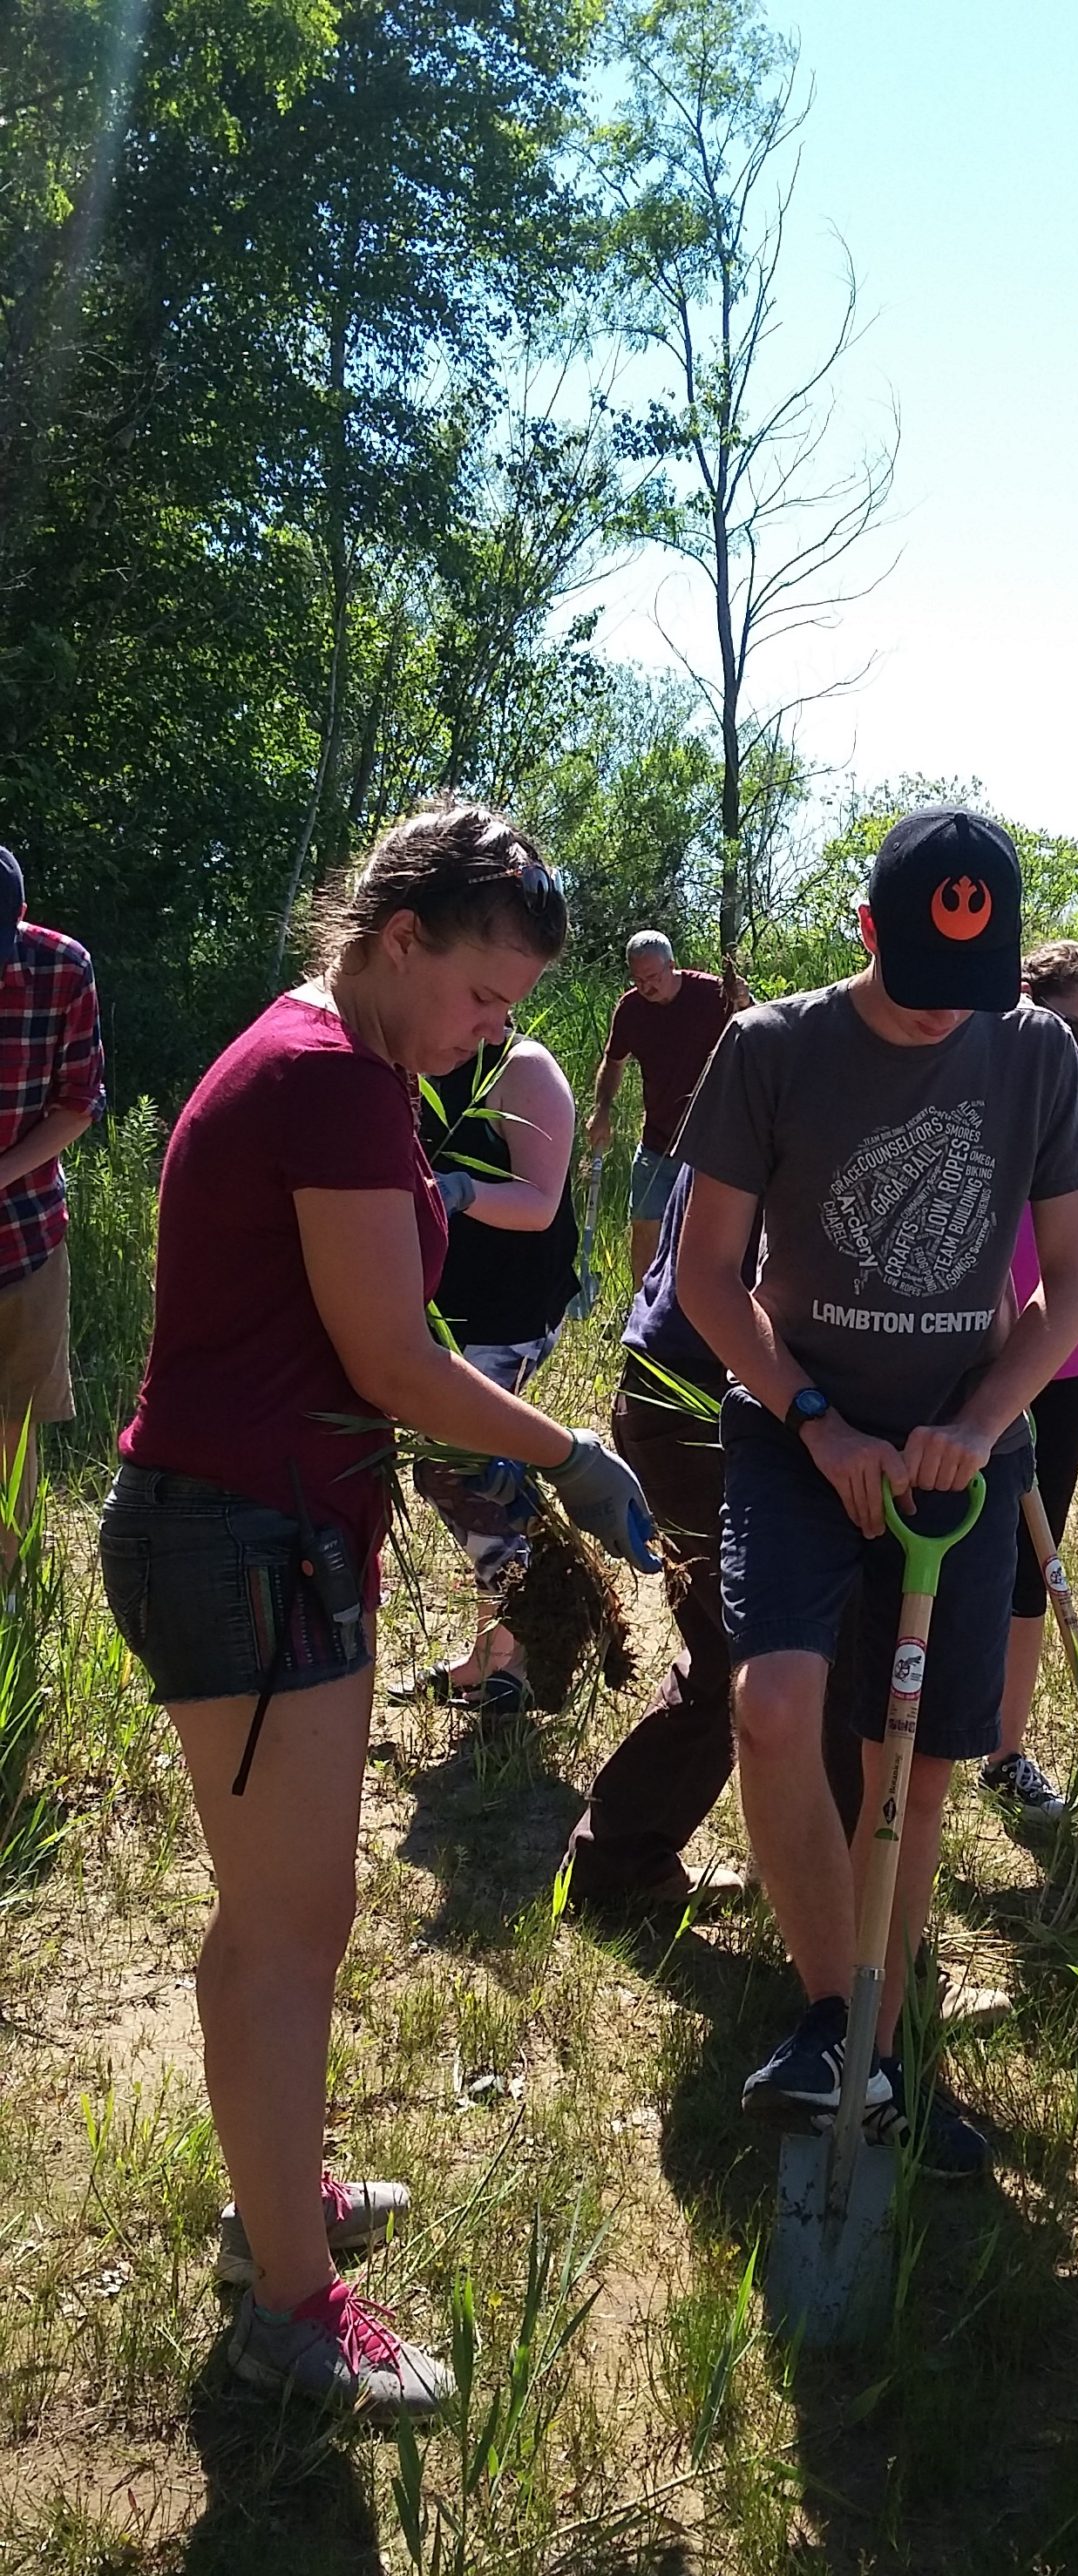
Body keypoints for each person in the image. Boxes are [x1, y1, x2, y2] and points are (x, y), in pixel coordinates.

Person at [99, 805, 654, 2418]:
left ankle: (280, 2188)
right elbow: (394, 1362)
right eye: (485, 995)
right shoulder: (332, 1078)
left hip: (264, 1526)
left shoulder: (337, 1058)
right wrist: (569, 1457)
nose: (497, 1033)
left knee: (289, 1914)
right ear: (401, 936)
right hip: (240, 1537)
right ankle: (289, 2295)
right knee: (286, 1924)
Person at [676, 805, 1078, 2177]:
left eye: (970, 997)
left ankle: (875, 2026)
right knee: (776, 1708)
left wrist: (981, 1425)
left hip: (958, 1452)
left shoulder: (1037, 1053)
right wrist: (816, 1423)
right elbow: (708, 1279)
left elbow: (1071, 1289)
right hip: (798, 1434)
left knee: (918, 1757)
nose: (946, 1021)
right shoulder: (772, 1051)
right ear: (867, 932)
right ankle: (835, 2018)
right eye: (921, 986)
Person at [562, 1164, 862, 1908]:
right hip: (704, 1397)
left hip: (689, 1392)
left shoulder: (764, 1057)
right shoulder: (804, 1065)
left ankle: (620, 1859)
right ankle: (858, 1937)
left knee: (743, 1649)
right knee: (795, 1650)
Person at [979, 942, 1078, 1825]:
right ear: (1023, 996)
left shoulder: (1073, 1103)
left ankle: (1006, 1752)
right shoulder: (963, 1073)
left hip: (1058, 1359)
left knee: (1036, 1563)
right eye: (1070, 1026)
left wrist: (1024, 1333)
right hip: (959, 1355)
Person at [406, 1027, 579, 1713]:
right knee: (475, 1474)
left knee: (454, 1471)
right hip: (439, 1312)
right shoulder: (414, 1057)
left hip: (508, 1313)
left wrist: (454, 1190)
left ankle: (528, 1634)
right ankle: (505, 1649)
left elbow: (539, 1204)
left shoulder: (523, 1070)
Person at [0, 846, 106, 1541]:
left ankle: (8, 1583)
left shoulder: (63, 969)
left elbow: (77, 1103)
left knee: (11, 1421)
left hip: (24, 1238)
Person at [586, 929, 742, 1285]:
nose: (646, 987)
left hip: (710, 1143)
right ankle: (643, 1308)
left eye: (653, 978)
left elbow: (758, 1032)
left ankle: (698, 1312)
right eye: (638, 979)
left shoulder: (712, 993)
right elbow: (613, 1063)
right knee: (644, 1224)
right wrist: (603, 1109)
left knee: (704, 1237)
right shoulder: (630, 1009)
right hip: (657, 1141)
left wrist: (745, 1002)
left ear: (673, 965)